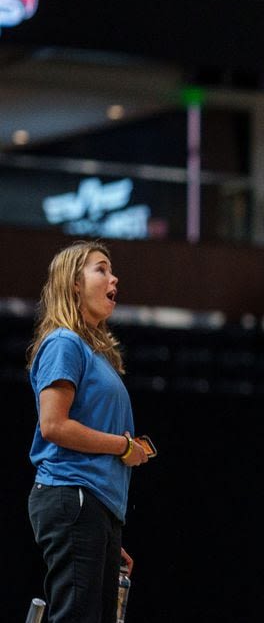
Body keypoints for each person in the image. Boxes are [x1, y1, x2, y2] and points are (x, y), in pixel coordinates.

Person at [26, 241, 151, 623]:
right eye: (101, 269)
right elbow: (54, 426)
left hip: (94, 505)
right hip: (71, 494)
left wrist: (109, 527)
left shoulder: (92, 353)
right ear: (74, 284)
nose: (113, 278)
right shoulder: (64, 342)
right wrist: (124, 446)